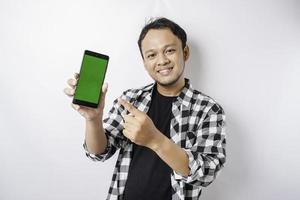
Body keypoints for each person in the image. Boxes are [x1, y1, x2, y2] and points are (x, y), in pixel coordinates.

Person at [64, 17, 226, 200]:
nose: (162, 60)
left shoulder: (208, 109)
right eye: (151, 55)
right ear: (144, 62)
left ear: (185, 52)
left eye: (170, 50)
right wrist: (93, 119)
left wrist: (155, 140)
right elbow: (99, 152)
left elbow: (207, 172)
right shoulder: (130, 100)